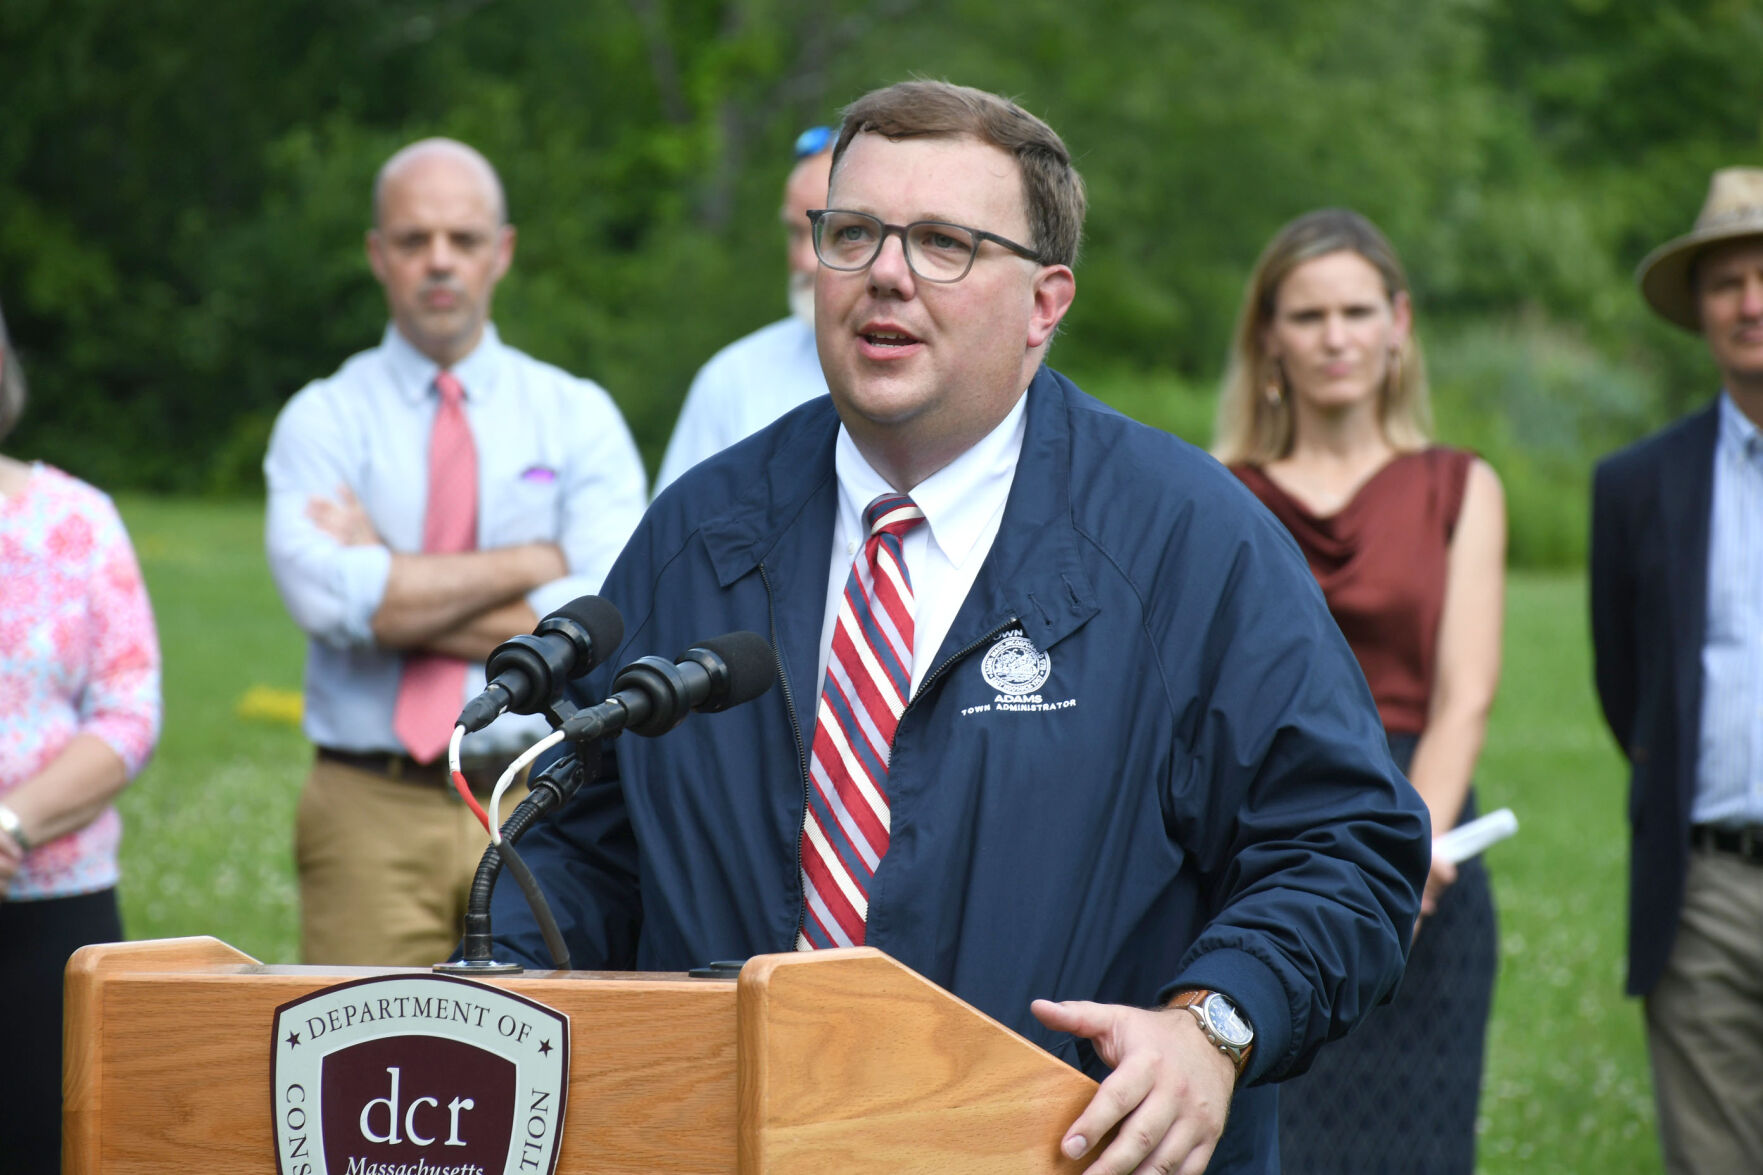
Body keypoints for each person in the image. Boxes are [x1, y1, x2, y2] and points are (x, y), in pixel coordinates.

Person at [492, 82, 1429, 1174]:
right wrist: (493, 993)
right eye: (851, 234)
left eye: (942, 242)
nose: (885, 272)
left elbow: (1345, 846)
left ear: (1044, 302)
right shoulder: (698, 530)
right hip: (725, 1140)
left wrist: (1212, 1026)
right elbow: (587, 853)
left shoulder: (1186, 540)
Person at [263, 138, 647, 967]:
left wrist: (393, 580)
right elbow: (331, 601)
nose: (439, 261)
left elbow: (605, 613)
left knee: (544, 1058)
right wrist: (539, 558)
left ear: (501, 251)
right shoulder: (321, 419)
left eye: (463, 239)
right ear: (377, 254)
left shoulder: (576, 415)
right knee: (358, 1061)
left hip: (542, 800)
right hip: (370, 802)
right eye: (412, 239)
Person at [1214, 208, 1506, 1174]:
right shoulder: (1214, 490)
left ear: (1398, 324)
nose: (1334, 337)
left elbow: (1464, 691)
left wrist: (1406, 847)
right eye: (1306, 316)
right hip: (1260, 850)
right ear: (1268, 336)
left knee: (1413, 1143)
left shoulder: (1459, 486)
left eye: (1354, 311)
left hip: (1425, 850)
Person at [1592, 166, 1763, 1172]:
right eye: (1724, 282)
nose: (1750, 303)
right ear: (1697, 310)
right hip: (1701, 886)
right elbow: (1628, 686)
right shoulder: (1634, 483)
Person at [0, 300, 163, 1170]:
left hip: (54, 910)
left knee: (52, 1142)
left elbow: (129, 711)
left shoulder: (79, 521)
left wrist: (9, 824)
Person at [651, 126, 835, 493]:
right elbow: (674, 545)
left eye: (833, 232)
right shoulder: (734, 379)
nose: (802, 260)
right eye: (794, 233)